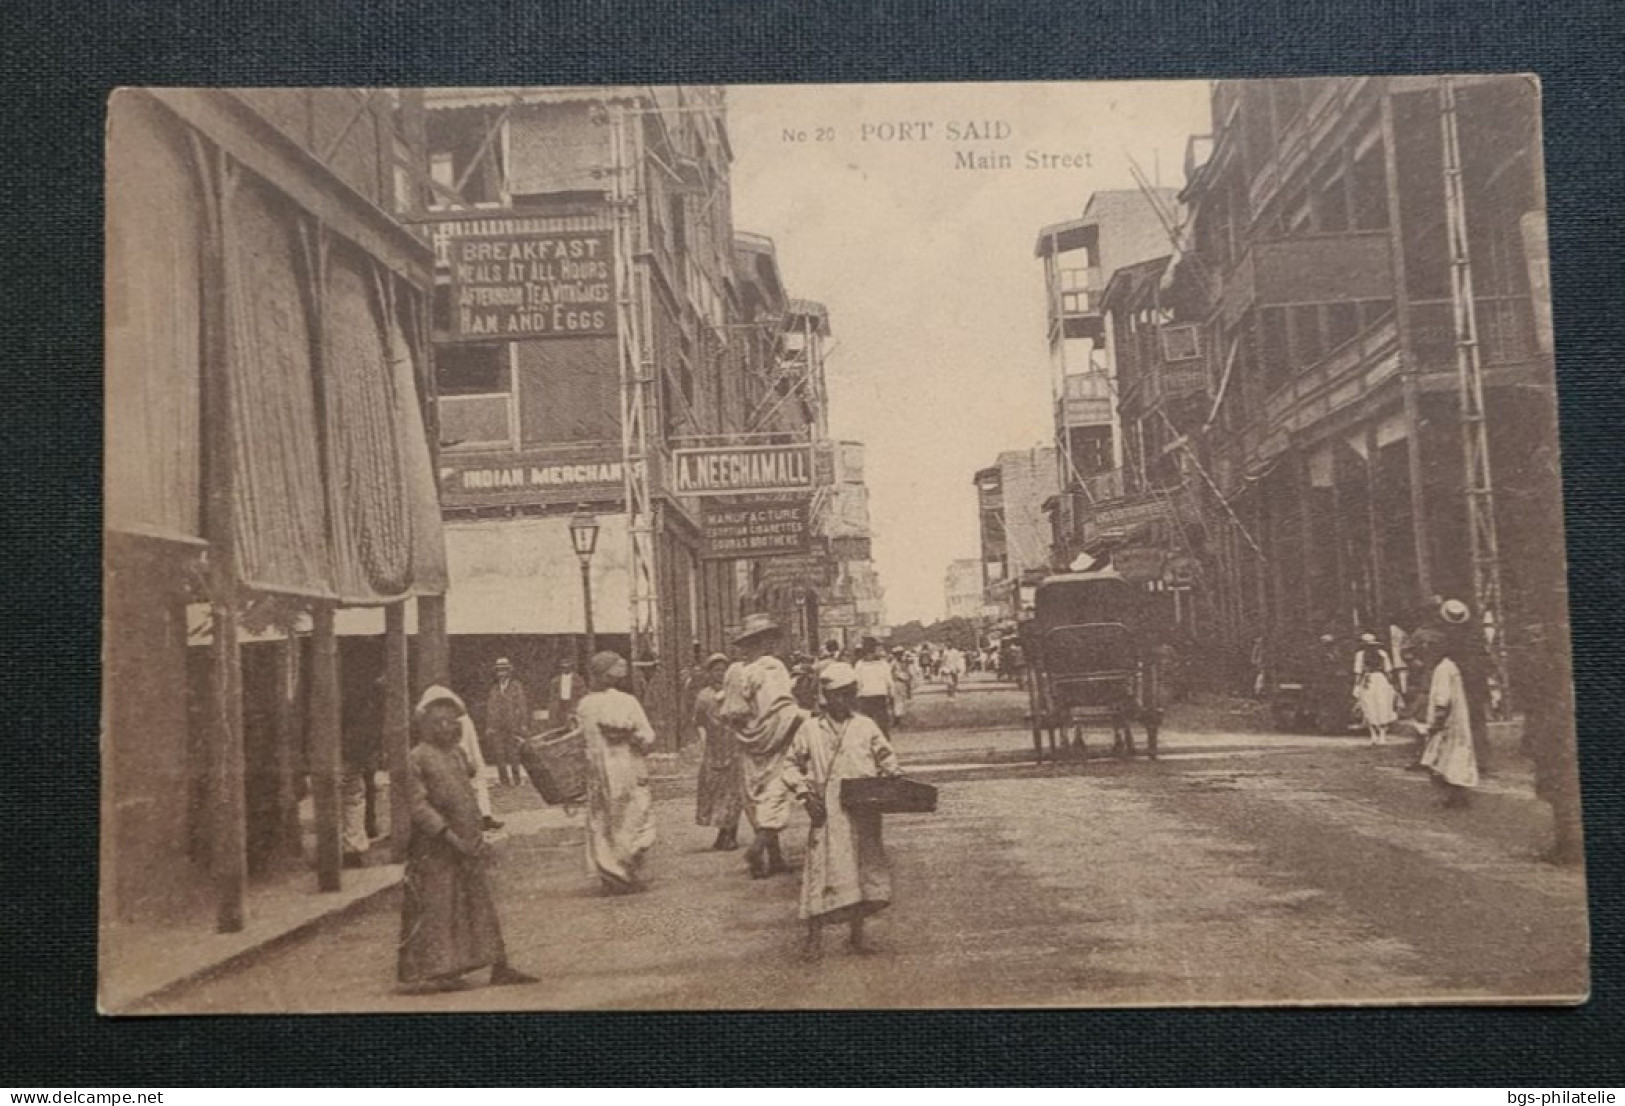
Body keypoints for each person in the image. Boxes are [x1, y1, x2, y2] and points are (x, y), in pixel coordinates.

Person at [397, 686, 536, 993]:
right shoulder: (417, 757)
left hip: (467, 840)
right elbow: (418, 806)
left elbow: (467, 788)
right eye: (439, 722)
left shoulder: (456, 754)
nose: (447, 727)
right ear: (425, 726)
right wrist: (447, 834)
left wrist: (475, 834)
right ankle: (440, 969)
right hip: (436, 847)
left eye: (452, 721)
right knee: (439, 906)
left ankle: (497, 963)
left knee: (478, 904)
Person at [785, 662, 902, 959]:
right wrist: (805, 794)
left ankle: (857, 936)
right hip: (826, 809)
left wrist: (891, 774)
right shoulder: (810, 729)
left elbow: (885, 755)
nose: (844, 700)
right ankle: (813, 939)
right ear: (827, 695)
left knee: (861, 868)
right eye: (838, 694)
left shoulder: (865, 725)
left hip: (863, 807)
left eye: (850, 694)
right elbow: (789, 765)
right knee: (820, 870)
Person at [721, 613, 806, 879]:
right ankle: (758, 850)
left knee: (755, 799)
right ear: (765, 641)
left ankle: (774, 858)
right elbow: (780, 708)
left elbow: (732, 713)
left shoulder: (738, 672)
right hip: (775, 739)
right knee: (775, 794)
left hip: (749, 743)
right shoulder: (772, 668)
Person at [573, 651, 658, 893]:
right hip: (627, 767)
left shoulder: (585, 705)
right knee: (635, 816)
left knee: (602, 821)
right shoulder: (627, 702)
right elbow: (647, 738)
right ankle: (628, 870)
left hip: (598, 771)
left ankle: (610, 875)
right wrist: (634, 737)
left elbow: (579, 740)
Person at [1413, 629, 1478, 807]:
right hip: (1456, 722)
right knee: (1453, 760)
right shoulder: (1450, 666)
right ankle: (1457, 797)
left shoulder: (1442, 669)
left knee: (1438, 761)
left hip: (1447, 724)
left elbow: (1442, 701)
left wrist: (1435, 725)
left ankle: (1448, 798)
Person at [692, 652, 743, 850]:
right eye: (715, 671)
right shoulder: (704, 696)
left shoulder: (735, 693)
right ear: (709, 673)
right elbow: (698, 721)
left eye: (723, 670)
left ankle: (730, 834)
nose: (719, 674)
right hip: (715, 747)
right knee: (715, 789)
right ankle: (721, 832)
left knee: (733, 791)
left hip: (735, 745)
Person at [482, 658, 531, 788]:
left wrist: (523, 724)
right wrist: (489, 726)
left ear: (509, 672)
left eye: (504, 670)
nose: (501, 673)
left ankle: (517, 779)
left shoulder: (516, 686)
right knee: (499, 753)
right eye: (499, 671)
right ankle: (504, 781)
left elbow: (522, 706)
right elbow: (490, 708)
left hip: (512, 724)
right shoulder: (494, 689)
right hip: (497, 726)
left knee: (513, 753)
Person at [1352, 631, 1398, 746]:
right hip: (1379, 680)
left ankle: (1375, 735)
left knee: (1371, 706)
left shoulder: (1361, 655)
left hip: (1370, 680)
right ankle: (1380, 734)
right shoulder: (1381, 653)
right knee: (1379, 705)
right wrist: (1390, 683)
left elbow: (1358, 672)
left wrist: (1356, 685)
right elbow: (1389, 671)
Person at [853, 636, 896, 736]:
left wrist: (857, 695)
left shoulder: (860, 664)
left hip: (865, 697)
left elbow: (857, 682)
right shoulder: (883, 664)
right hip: (879, 696)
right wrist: (891, 696)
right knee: (882, 724)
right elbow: (889, 682)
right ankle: (884, 744)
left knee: (867, 723)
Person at [545, 654, 585, 731]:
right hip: (560, 704)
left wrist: (577, 706)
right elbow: (552, 697)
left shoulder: (578, 680)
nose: (565, 669)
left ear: (571, 667)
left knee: (572, 723)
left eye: (567, 667)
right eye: (563, 667)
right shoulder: (555, 681)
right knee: (559, 724)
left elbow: (582, 694)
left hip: (572, 703)